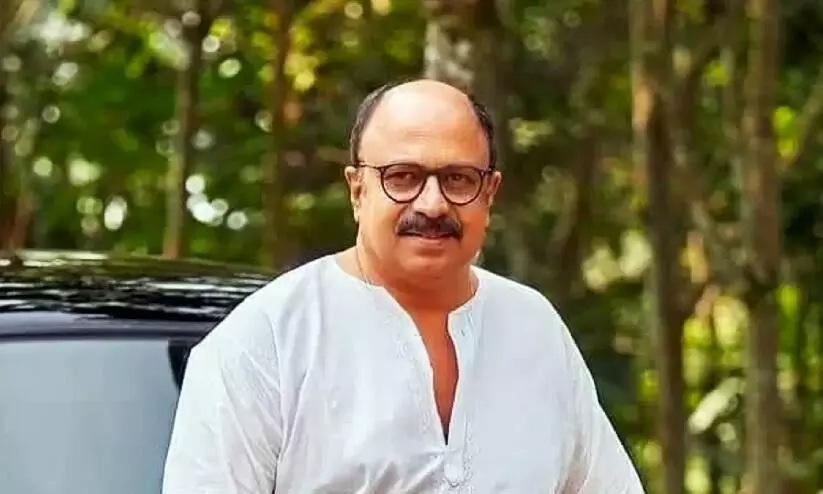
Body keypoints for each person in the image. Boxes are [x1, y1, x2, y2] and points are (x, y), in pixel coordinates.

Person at [162, 79, 645, 493]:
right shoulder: (266, 340)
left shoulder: (534, 330)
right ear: (357, 190)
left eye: (458, 179)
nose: (432, 204)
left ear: (490, 193)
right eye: (404, 177)